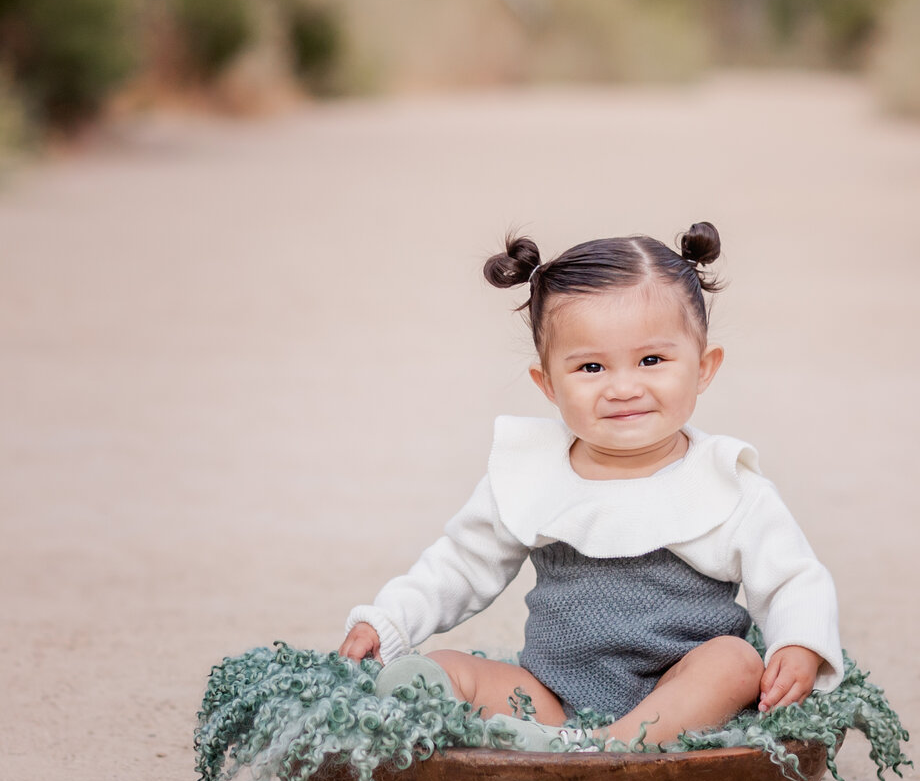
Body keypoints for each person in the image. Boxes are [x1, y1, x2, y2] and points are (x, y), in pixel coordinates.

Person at [337, 223, 841, 750]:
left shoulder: (726, 482)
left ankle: (610, 746)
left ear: (704, 367)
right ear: (548, 384)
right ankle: (557, 738)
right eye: (591, 366)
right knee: (445, 671)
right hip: (551, 695)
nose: (623, 388)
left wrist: (799, 645)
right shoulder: (533, 474)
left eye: (651, 360)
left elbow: (793, 578)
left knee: (736, 662)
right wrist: (390, 621)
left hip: (680, 691)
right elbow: (460, 564)